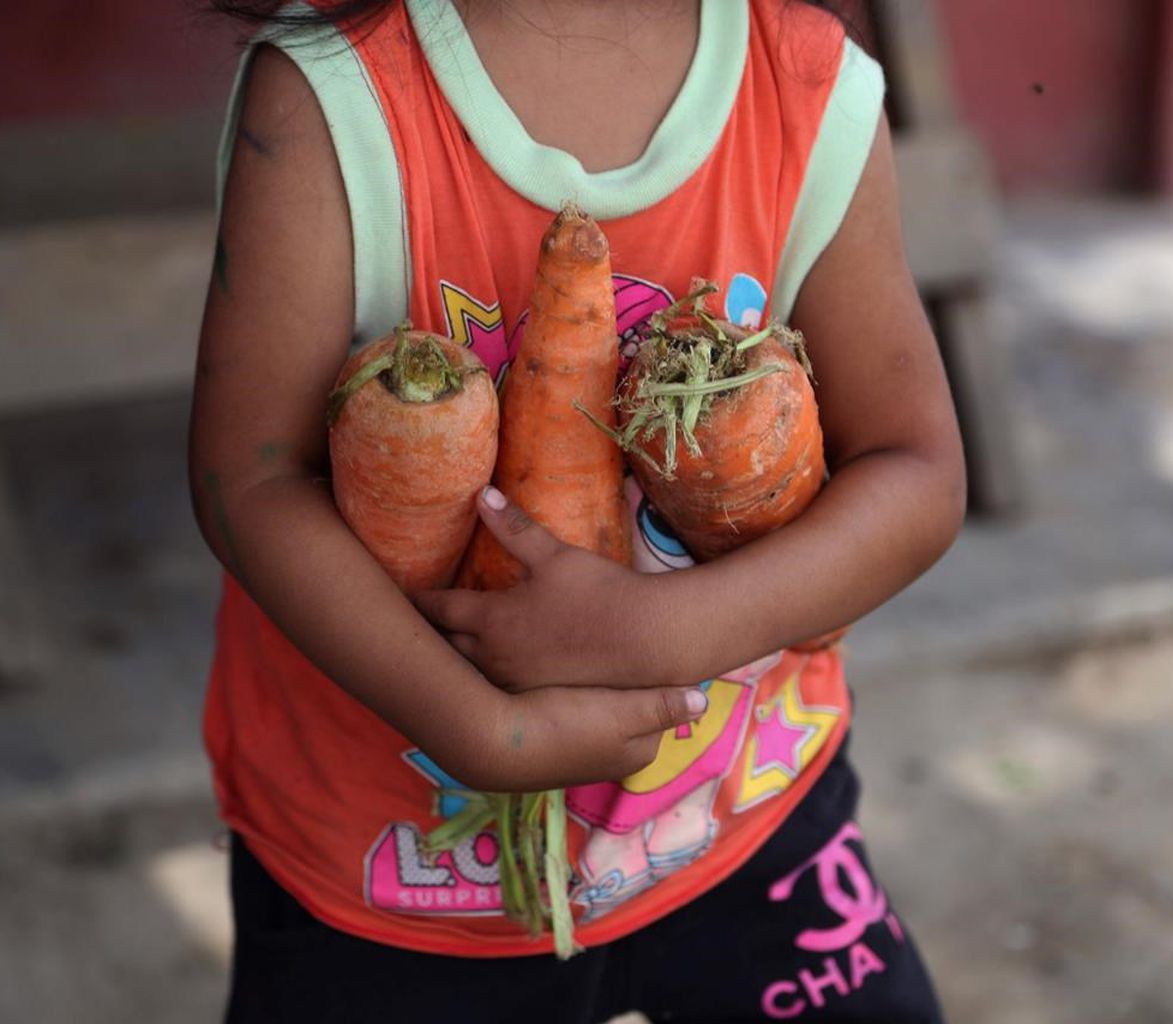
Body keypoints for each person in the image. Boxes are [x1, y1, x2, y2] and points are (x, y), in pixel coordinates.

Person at [191, 0, 965, 1020]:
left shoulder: (806, 88)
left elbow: (914, 470)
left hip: (740, 813)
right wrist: (474, 725)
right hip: (396, 869)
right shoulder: (331, 99)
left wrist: (671, 629)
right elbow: (248, 482)